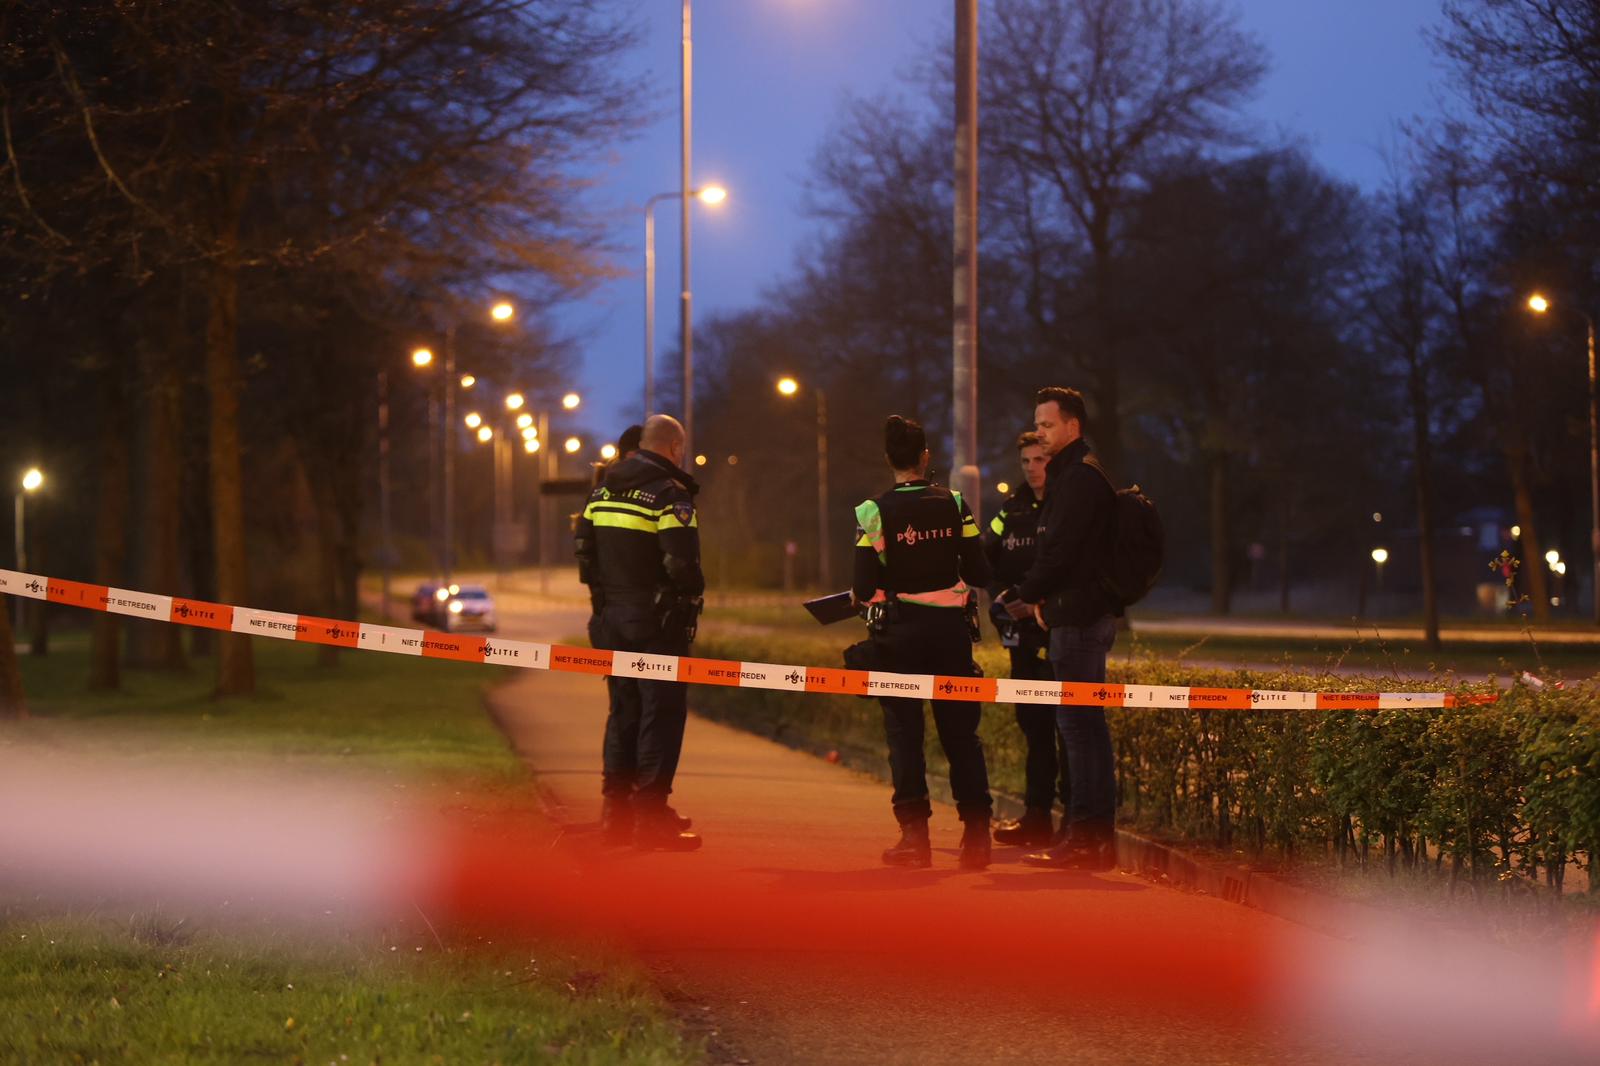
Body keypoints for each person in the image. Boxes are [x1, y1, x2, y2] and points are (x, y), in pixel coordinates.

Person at [851, 415, 994, 870]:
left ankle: (915, 841)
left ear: (888, 459)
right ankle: (976, 839)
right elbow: (977, 573)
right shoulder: (955, 504)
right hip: (951, 637)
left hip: (899, 639)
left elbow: (863, 585)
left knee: (905, 739)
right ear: (925, 457)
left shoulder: (872, 512)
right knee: (961, 737)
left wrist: (873, 595)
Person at [998, 386, 1120, 871]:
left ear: (1073, 426)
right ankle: (1087, 837)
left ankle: (1087, 839)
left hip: (1077, 620)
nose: (1041, 433)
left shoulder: (1078, 480)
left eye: (1048, 425)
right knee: (1083, 729)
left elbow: (1060, 553)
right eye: (1038, 424)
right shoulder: (1076, 475)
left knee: (1081, 731)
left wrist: (1025, 594)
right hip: (1074, 617)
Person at [574, 414, 704, 851]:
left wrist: (607, 602)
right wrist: (685, 597)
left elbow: (585, 557)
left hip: (611, 621)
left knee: (623, 712)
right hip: (658, 625)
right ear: (672, 447)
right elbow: (683, 565)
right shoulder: (670, 497)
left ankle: (616, 815)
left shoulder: (600, 493)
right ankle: (650, 815)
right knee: (661, 715)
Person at [984, 431, 1067, 848]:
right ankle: (1037, 816)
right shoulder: (1011, 510)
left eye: (1040, 460)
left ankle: (1074, 820)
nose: (1034, 468)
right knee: (1033, 728)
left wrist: (1036, 600)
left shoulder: (1066, 506)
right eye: (1026, 462)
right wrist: (1002, 598)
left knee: (1067, 728)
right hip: (1019, 635)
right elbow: (986, 556)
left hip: (1059, 631)